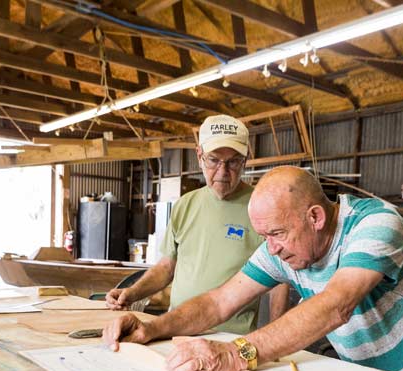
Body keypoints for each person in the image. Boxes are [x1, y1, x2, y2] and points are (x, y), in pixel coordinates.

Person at [102, 166, 403, 371]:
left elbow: (335, 305)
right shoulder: (285, 247)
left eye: (276, 234)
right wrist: (152, 327)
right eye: (264, 237)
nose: (271, 248)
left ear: (316, 218)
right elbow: (218, 302)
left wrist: (234, 354)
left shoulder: (376, 224)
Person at [105, 114, 288, 334]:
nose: (222, 172)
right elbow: (166, 267)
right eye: (213, 160)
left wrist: (277, 334)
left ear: (246, 159)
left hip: (230, 338)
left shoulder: (263, 207)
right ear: (199, 155)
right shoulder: (185, 205)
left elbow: (279, 279)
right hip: (175, 329)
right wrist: (131, 292)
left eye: (233, 161)